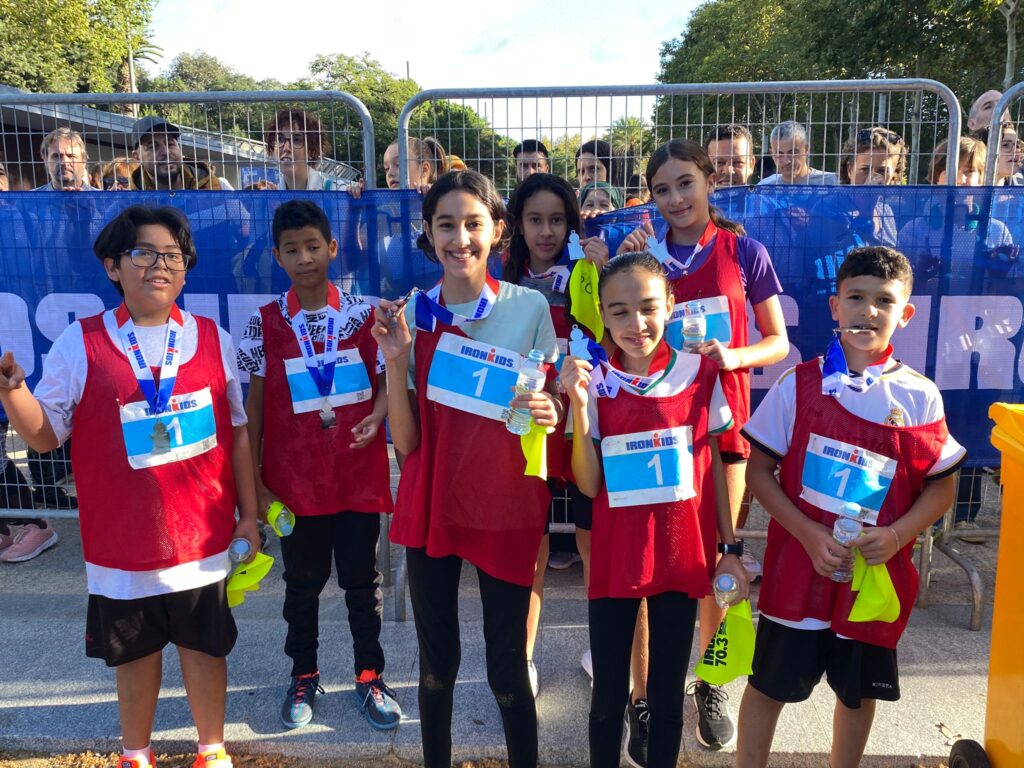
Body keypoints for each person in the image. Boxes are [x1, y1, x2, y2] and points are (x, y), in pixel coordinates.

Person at [0, 204, 260, 768]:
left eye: (173, 256)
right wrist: (14, 393)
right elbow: (44, 437)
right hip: (122, 548)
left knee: (205, 649)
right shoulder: (81, 343)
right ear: (113, 266)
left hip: (202, 541)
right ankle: (135, 753)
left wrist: (248, 515)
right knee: (135, 656)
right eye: (144, 253)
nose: (160, 266)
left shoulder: (212, 338)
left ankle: (211, 749)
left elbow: (237, 432)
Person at [736, 246, 966, 768]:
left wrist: (898, 535)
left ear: (905, 314)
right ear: (835, 306)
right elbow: (759, 472)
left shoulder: (920, 397)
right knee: (768, 686)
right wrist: (807, 533)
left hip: (871, 581)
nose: (869, 311)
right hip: (799, 572)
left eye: (884, 301)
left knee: (857, 694)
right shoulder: (798, 385)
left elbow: (941, 489)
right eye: (856, 298)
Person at [372, 169, 560, 768]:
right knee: (437, 668)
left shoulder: (530, 306)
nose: (460, 239)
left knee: (507, 668)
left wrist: (550, 409)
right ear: (428, 233)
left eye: (473, 223)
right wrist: (396, 359)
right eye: (446, 225)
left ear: (498, 230)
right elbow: (406, 443)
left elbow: (542, 405)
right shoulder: (413, 314)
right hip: (434, 506)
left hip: (505, 506)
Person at [617, 139, 789, 756]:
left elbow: (777, 341)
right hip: (655, 430)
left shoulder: (745, 252)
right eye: (662, 189)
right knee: (645, 566)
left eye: (685, 183)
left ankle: (710, 682)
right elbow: (616, 336)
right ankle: (642, 697)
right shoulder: (643, 256)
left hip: (724, 431)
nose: (675, 198)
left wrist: (731, 356)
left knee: (721, 560)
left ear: (710, 181)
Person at [560, 251, 749, 768]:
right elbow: (588, 483)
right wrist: (579, 405)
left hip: (679, 556)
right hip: (616, 557)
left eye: (647, 307)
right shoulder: (595, 381)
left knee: (667, 698)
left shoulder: (700, 372)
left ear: (669, 304)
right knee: (608, 699)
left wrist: (730, 547)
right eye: (619, 312)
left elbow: (714, 468)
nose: (636, 324)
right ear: (602, 314)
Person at [237, 199, 400, 731]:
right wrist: (256, 483)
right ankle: (303, 674)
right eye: (292, 249)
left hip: (355, 476)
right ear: (277, 256)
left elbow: (387, 384)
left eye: (312, 246)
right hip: (294, 484)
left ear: (331, 248)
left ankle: (370, 675)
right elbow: (254, 408)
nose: (304, 257)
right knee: (301, 585)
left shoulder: (362, 315)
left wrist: (378, 416)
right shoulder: (263, 323)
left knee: (362, 583)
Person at [503, 172, 610, 698]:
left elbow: (616, 335)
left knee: (595, 546)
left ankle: (605, 654)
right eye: (535, 220)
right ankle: (522, 658)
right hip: (532, 426)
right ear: (518, 226)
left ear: (571, 224)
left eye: (557, 220)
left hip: (585, 424)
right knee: (532, 550)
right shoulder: (502, 283)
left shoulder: (589, 273)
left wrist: (603, 273)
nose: (546, 231)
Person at [129, 117, 230, 191]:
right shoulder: (130, 202)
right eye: (153, 147)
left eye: (170, 144)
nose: (166, 152)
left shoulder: (219, 188)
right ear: (137, 157)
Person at [263, 109, 349, 191]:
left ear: (312, 151)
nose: (286, 148)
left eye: (296, 140)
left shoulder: (338, 191)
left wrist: (355, 195)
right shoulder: (270, 197)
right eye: (280, 139)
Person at [758, 121, 838, 186]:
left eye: (792, 153)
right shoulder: (765, 187)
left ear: (806, 150)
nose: (786, 161)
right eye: (779, 154)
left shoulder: (832, 183)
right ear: (772, 154)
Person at [34, 127, 97, 191]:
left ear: (83, 161)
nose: (64, 162)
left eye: (71, 156)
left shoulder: (101, 196)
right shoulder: (31, 196)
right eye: (56, 156)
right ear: (45, 160)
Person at [382, 136, 448, 192]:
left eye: (398, 165)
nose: (390, 173)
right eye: (387, 168)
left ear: (424, 169)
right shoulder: (384, 203)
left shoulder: (441, 200)